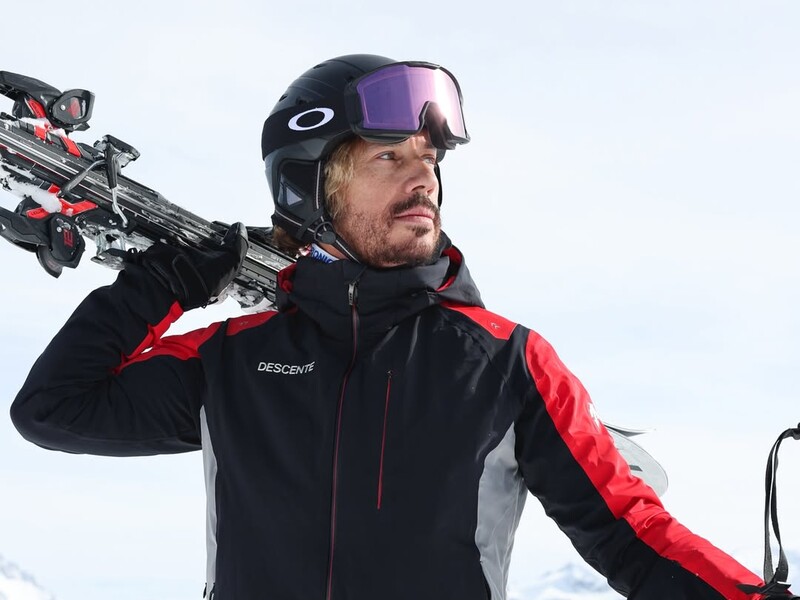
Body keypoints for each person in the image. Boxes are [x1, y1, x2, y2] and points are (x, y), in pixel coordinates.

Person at [7, 54, 789, 600]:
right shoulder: (236, 363)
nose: (424, 178)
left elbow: (630, 533)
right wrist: (162, 284)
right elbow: (56, 409)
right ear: (311, 185)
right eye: (388, 158)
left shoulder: (507, 364)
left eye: (430, 159)